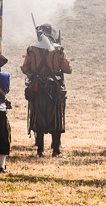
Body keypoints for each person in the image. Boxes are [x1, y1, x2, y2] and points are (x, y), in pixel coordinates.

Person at [21, 24, 72, 157]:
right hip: (54, 89)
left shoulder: (31, 49)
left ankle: (40, 151)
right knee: (56, 119)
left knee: (39, 118)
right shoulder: (58, 50)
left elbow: (25, 69)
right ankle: (56, 151)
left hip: (37, 89)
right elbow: (68, 69)